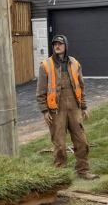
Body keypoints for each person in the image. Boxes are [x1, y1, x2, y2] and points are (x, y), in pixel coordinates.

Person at [36, 35, 99, 180]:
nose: (57, 46)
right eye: (55, 44)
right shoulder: (45, 65)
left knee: (82, 140)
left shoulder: (75, 63)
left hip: (74, 107)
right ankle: (60, 173)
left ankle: (83, 170)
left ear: (66, 46)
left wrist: (83, 107)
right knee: (59, 143)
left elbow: (80, 86)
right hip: (56, 110)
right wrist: (45, 111)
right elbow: (40, 91)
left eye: (60, 44)